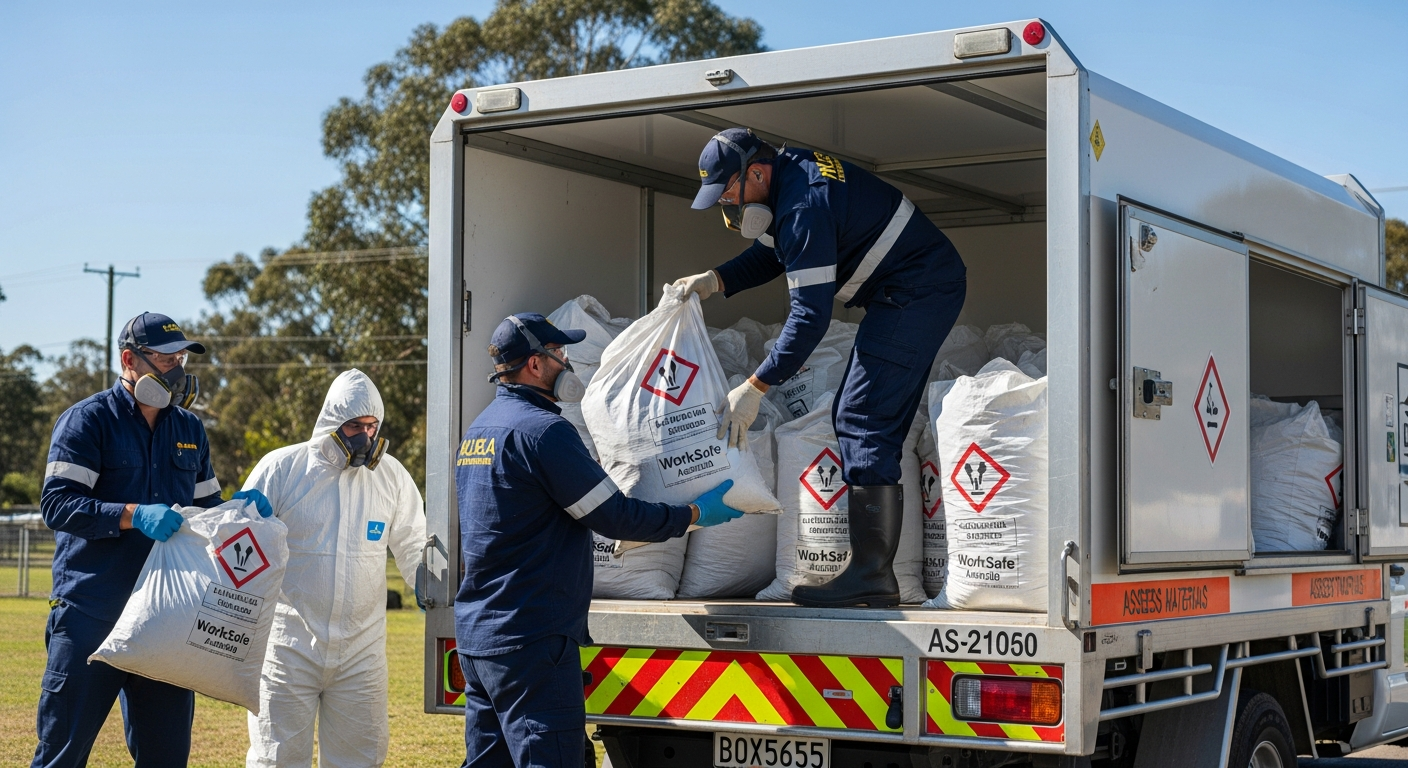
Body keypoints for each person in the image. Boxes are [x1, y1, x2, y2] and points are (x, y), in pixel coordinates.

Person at [674, 127, 967, 609]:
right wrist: (716, 280)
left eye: (728, 190)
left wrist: (756, 385)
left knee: (863, 417)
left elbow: (810, 318)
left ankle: (873, 574)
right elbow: (772, 253)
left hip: (919, 290)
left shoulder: (803, 204)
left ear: (757, 172)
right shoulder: (791, 179)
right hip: (905, 290)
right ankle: (873, 572)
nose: (726, 203)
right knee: (858, 415)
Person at [455, 313, 744, 767]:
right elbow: (615, 516)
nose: (567, 364)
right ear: (535, 364)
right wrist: (691, 514)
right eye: (560, 354)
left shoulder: (479, 431)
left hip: (479, 638)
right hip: (532, 640)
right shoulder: (544, 432)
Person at [34, 311, 269, 768]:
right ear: (129, 360)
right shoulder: (86, 422)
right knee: (62, 755)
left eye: (180, 357)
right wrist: (132, 515)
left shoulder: (189, 429)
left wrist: (238, 513)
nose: (177, 369)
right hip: (90, 612)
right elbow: (58, 505)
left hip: (167, 619)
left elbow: (206, 513)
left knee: (166, 757)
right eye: (164, 359)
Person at [240, 369, 426, 768]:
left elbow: (412, 542)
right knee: (276, 758)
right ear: (331, 423)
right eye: (355, 425)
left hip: (362, 652)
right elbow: (240, 541)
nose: (366, 437)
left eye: (372, 427)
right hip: (288, 646)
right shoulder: (283, 469)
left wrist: (427, 586)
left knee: (359, 758)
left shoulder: (390, 476)